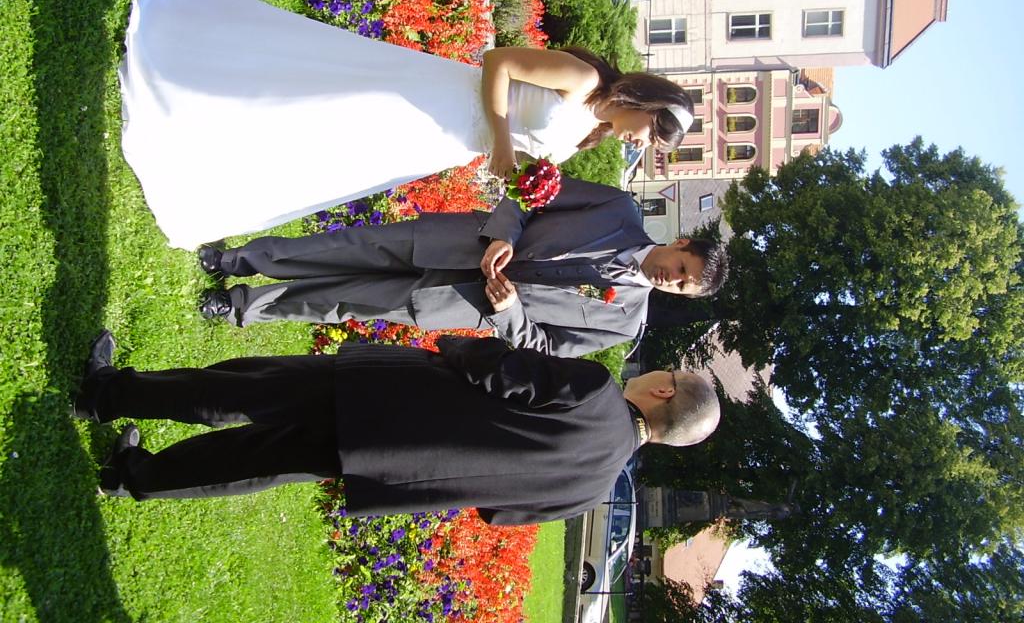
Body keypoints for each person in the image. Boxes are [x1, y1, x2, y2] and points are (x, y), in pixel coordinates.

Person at [120, 0, 696, 249]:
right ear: (646, 106)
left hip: (445, 141)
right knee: (327, 100)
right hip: (438, 97)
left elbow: (519, 148)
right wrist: (501, 140)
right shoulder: (583, 80)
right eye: (651, 135)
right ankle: (205, 86)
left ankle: (222, 152)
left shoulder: (589, 133)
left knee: (336, 151)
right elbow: (496, 63)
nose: (641, 144)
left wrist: (516, 173)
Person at [71, 331, 720, 523]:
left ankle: (104, 395)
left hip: (389, 394)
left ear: (663, 391)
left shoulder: (599, 392)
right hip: (395, 469)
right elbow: (497, 514)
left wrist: (459, 346)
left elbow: (499, 370)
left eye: (661, 373)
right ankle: (132, 477)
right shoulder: (595, 491)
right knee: (255, 461)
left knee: (245, 391)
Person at [198, 176, 729, 357]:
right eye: (682, 267)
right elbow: (534, 192)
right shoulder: (618, 209)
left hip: (462, 303)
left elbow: (543, 346)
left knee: (342, 302)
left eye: (681, 287)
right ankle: (235, 259)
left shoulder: (624, 323)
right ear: (680, 242)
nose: (672, 279)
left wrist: (510, 312)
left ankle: (240, 306)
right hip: (458, 242)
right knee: (344, 248)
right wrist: (504, 233)